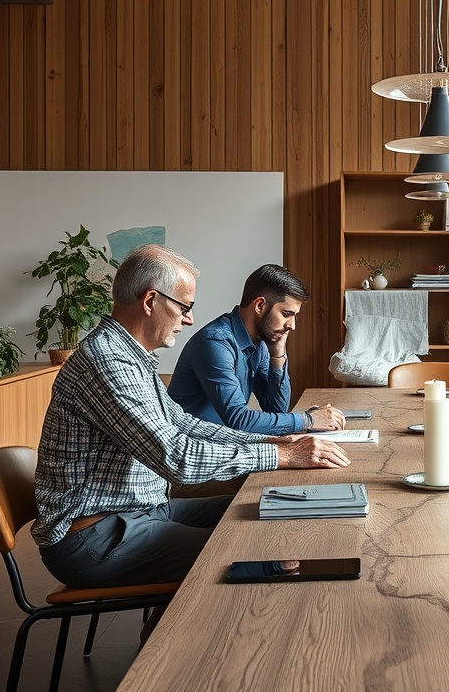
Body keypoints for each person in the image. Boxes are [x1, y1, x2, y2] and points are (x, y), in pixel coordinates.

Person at [31, 244, 350, 589]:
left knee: (264, 511)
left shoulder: (132, 357)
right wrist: (281, 454)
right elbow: (176, 456)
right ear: (151, 301)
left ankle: (163, 630)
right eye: (184, 307)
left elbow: (184, 424)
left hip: (142, 511)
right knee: (263, 549)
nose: (189, 319)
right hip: (95, 537)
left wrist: (270, 440)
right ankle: (176, 641)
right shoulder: (108, 360)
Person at [168, 264, 344, 435]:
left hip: (225, 444)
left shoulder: (258, 344)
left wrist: (278, 356)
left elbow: (276, 409)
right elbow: (239, 420)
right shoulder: (215, 343)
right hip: (194, 452)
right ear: (260, 305)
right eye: (286, 314)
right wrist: (308, 420)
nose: (292, 326)